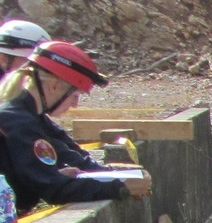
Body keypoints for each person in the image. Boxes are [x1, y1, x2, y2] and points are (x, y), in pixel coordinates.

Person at [0, 39, 152, 214]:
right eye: (75, 95)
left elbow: (72, 155)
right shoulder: (17, 121)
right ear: (54, 86)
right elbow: (54, 189)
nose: (75, 105)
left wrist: (115, 174)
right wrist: (119, 187)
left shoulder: (31, 117)